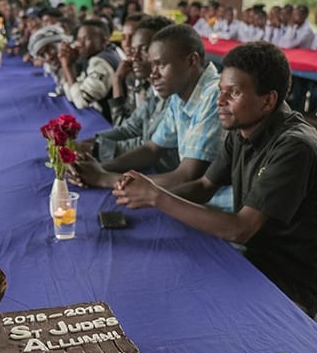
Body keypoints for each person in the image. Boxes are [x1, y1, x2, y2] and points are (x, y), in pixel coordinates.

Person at [113, 41, 317, 318]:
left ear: (268, 100)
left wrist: (157, 197)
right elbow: (204, 186)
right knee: (158, 282)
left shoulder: (295, 147)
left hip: (290, 283)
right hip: (252, 259)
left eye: (234, 93)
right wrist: (146, 197)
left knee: (182, 310)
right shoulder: (242, 128)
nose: (220, 101)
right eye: (221, 90)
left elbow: (240, 229)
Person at [70, 24, 232, 213]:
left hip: (218, 211)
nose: (153, 74)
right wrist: (99, 168)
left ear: (191, 61)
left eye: (161, 65)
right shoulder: (179, 94)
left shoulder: (213, 96)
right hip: (190, 202)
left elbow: (187, 176)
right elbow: (152, 148)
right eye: (152, 65)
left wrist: (103, 178)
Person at [77, 16, 178, 172]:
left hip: (161, 173)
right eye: (133, 48)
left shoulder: (175, 95)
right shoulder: (152, 88)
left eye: (144, 49)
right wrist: (91, 142)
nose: (134, 56)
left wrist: (95, 149)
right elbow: (130, 128)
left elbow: (147, 146)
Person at [59, 19, 122, 122]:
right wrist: (71, 65)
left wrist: (67, 66)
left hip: (107, 123)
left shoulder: (100, 62)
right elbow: (72, 95)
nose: (80, 44)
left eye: (86, 39)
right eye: (79, 39)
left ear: (103, 41)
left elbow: (81, 102)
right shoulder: (109, 51)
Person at [109, 12, 147, 125]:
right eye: (124, 37)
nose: (126, 43)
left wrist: (117, 80)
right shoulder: (129, 71)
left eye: (133, 37)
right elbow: (123, 123)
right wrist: (117, 79)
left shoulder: (153, 78)